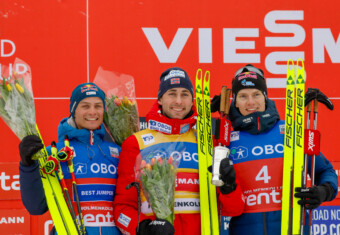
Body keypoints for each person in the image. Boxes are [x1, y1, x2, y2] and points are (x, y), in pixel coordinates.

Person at [113, 67, 245, 235]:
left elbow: (236, 208)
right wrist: (143, 228)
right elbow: (122, 208)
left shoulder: (207, 142)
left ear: (192, 100)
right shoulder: (136, 143)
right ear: (160, 99)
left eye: (184, 94)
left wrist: (229, 187)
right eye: (172, 93)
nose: (179, 101)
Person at [211, 64, 338, 235]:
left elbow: (325, 170)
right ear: (235, 101)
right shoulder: (225, 140)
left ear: (265, 97)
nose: (251, 102)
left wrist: (324, 191)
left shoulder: (290, 133)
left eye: (256, 94)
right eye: (243, 96)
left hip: (293, 228)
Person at [19, 82, 121, 235]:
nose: (92, 112)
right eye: (85, 106)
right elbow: (36, 206)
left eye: (98, 106)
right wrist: (28, 165)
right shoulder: (53, 153)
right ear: (73, 110)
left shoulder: (118, 152)